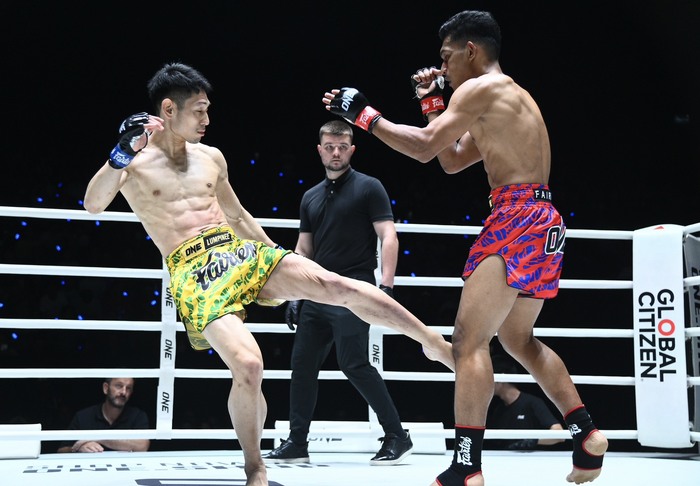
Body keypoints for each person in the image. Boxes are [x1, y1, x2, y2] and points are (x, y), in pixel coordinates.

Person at [83, 62, 453, 486]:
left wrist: (277, 257)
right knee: (248, 364)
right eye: (199, 111)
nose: (207, 120)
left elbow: (238, 215)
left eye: (207, 110)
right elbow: (93, 204)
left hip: (237, 251)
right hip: (193, 271)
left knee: (335, 284)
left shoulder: (211, 157)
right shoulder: (132, 162)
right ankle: (255, 468)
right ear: (169, 109)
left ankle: (433, 343)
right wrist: (120, 153)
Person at [322, 9, 607, 486]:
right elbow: (452, 160)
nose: (443, 67)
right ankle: (586, 434)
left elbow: (424, 148)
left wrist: (366, 118)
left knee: (467, 342)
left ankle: (466, 466)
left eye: (447, 56)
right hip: (545, 220)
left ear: (471, 50)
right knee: (518, 340)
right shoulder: (511, 96)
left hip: (516, 216)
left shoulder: (479, 89)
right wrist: (433, 102)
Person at [262, 120, 413, 466]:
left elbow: (389, 236)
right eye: (329, 146)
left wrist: (386, 287)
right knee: (302, 366)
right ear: (319, 150)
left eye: (342, 147)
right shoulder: (310, 196)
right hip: (317, 290)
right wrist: (295, 294)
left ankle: (397, 435)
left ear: (352, 150)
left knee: (354, 363)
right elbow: (303, 249)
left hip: (355, 289)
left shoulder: (369, 187)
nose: (335, 152)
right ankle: (297, 441)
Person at [486, 354, 565, 451]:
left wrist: (533, 441)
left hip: (532, 458)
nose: (486, 383)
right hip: (505, 457)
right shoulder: (499, 409)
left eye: (489, 378)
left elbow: (559, 434)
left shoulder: (532, 403)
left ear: (501, 378)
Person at [56, 378, 150, 453]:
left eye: (128, 388)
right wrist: (78, 449)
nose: (124, 392)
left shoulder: (138, 416)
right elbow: (61, 450)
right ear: (106, 388)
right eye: (119, 386)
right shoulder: (83, 416)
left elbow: (143, 446)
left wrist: (99, 438)